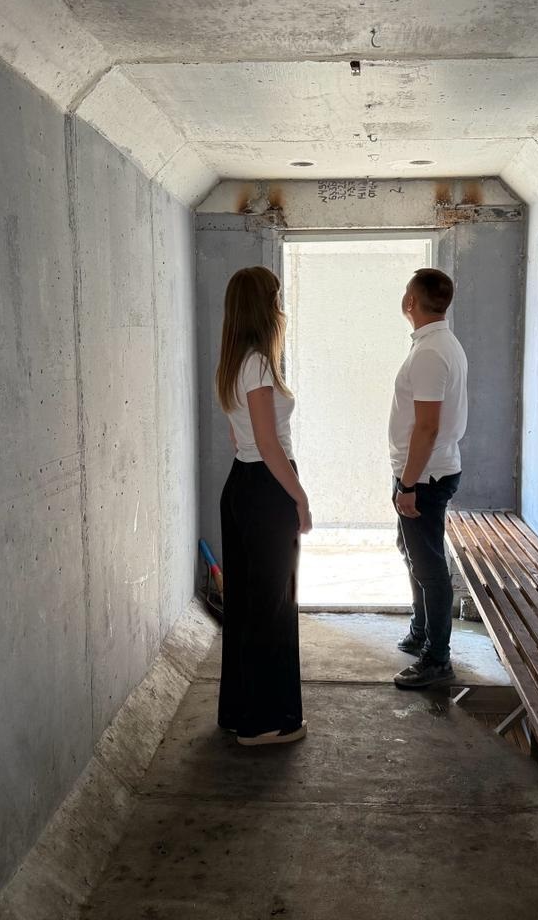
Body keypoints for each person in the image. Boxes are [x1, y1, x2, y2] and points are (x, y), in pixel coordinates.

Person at [214, 266, 313, 746]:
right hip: (266, 488)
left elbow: (240, 438)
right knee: (273, 606)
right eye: (276, 298)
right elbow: (268, 444)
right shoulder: (257, 363)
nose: (281, 307)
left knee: (246, 605)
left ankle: (240, 713)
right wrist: (300, 497)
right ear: (264, 307)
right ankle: (264, 724)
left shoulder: (233, 362)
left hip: (241, 484)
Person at [389, 268, 469, 690]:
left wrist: (408, 485)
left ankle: (437, 659)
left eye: (406, 292)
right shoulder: (439, 344)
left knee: (430, 566)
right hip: (428, 472)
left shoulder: (430, 353)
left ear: (411, 302)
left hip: (425, 477)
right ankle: (421, 631)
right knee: (413, 553)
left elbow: (427, 427)